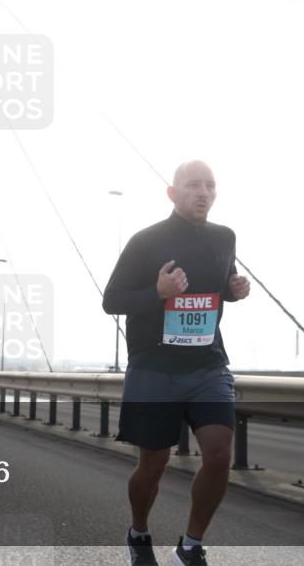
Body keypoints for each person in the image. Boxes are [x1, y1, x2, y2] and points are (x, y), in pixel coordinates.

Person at [102, 161, 250, 566]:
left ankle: (190, 545)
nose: (202, 192)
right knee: (154, 463)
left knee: (219, 454)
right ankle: (139, 532)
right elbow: (111, 300)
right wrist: (157, 290)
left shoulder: (225, 237)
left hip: (208, 364)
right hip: (153, 366)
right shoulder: (145, 241)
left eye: (209, 185)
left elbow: (222, 283)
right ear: (172, 192)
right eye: (192, 185)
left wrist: (235, 291)